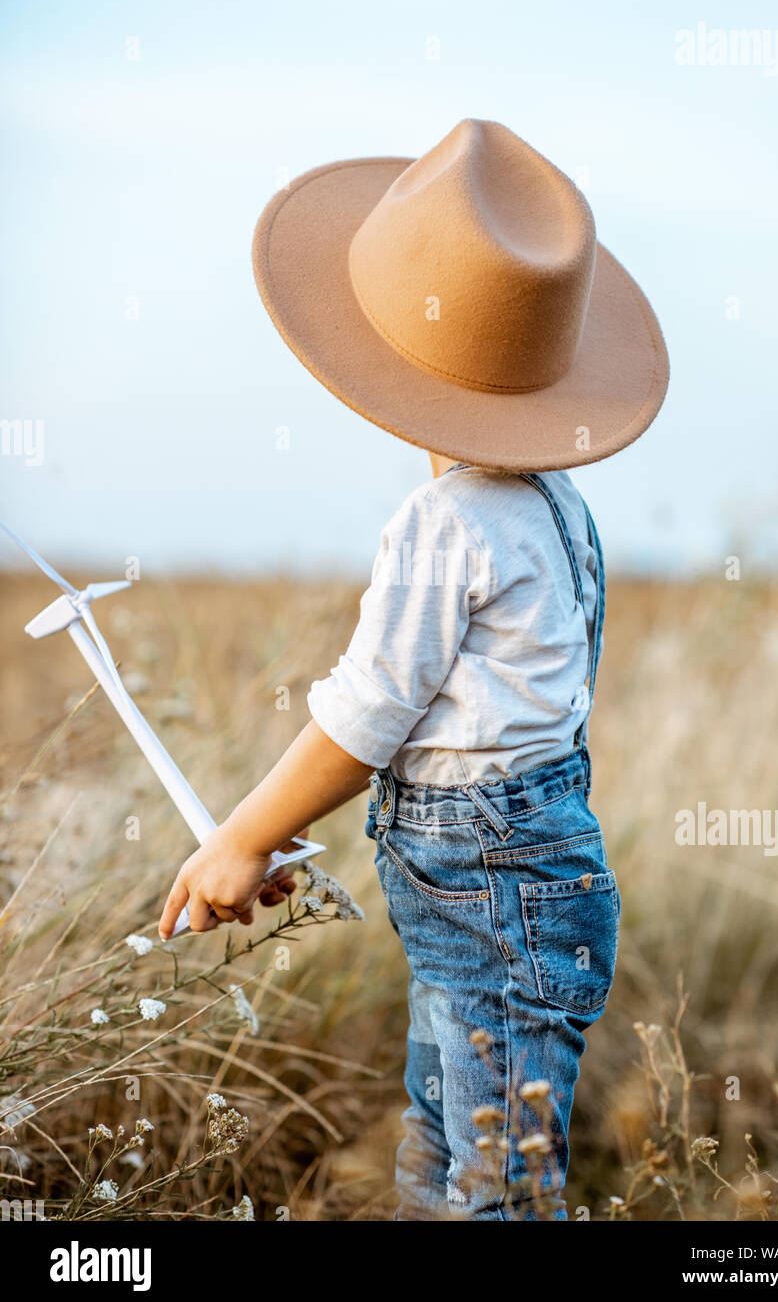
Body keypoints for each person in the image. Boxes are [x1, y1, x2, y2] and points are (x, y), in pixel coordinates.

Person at [159, 118, 669, 1219]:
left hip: (494, 887)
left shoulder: (446, 521)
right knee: (456, 1148)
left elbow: (370, 715)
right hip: (523, 872)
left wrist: (243, 836)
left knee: (486, 1177)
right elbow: (478, 718)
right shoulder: (557, 508)